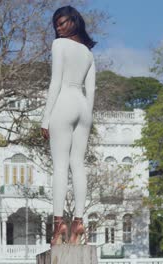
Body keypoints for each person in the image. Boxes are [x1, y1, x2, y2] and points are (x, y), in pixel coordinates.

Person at [40, 5, 96, 246]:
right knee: (78, 165)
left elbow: (55, 82)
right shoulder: (88, 53)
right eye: (56, 25)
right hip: (83, 107)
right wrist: (88, 117)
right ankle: (79, 222)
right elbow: (91, 89)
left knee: (61, 166)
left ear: (74, 21)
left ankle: (58, 224)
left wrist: (45, 118)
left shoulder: (59, 45)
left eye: (63, 23)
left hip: (64, 101)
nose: (59, 28)